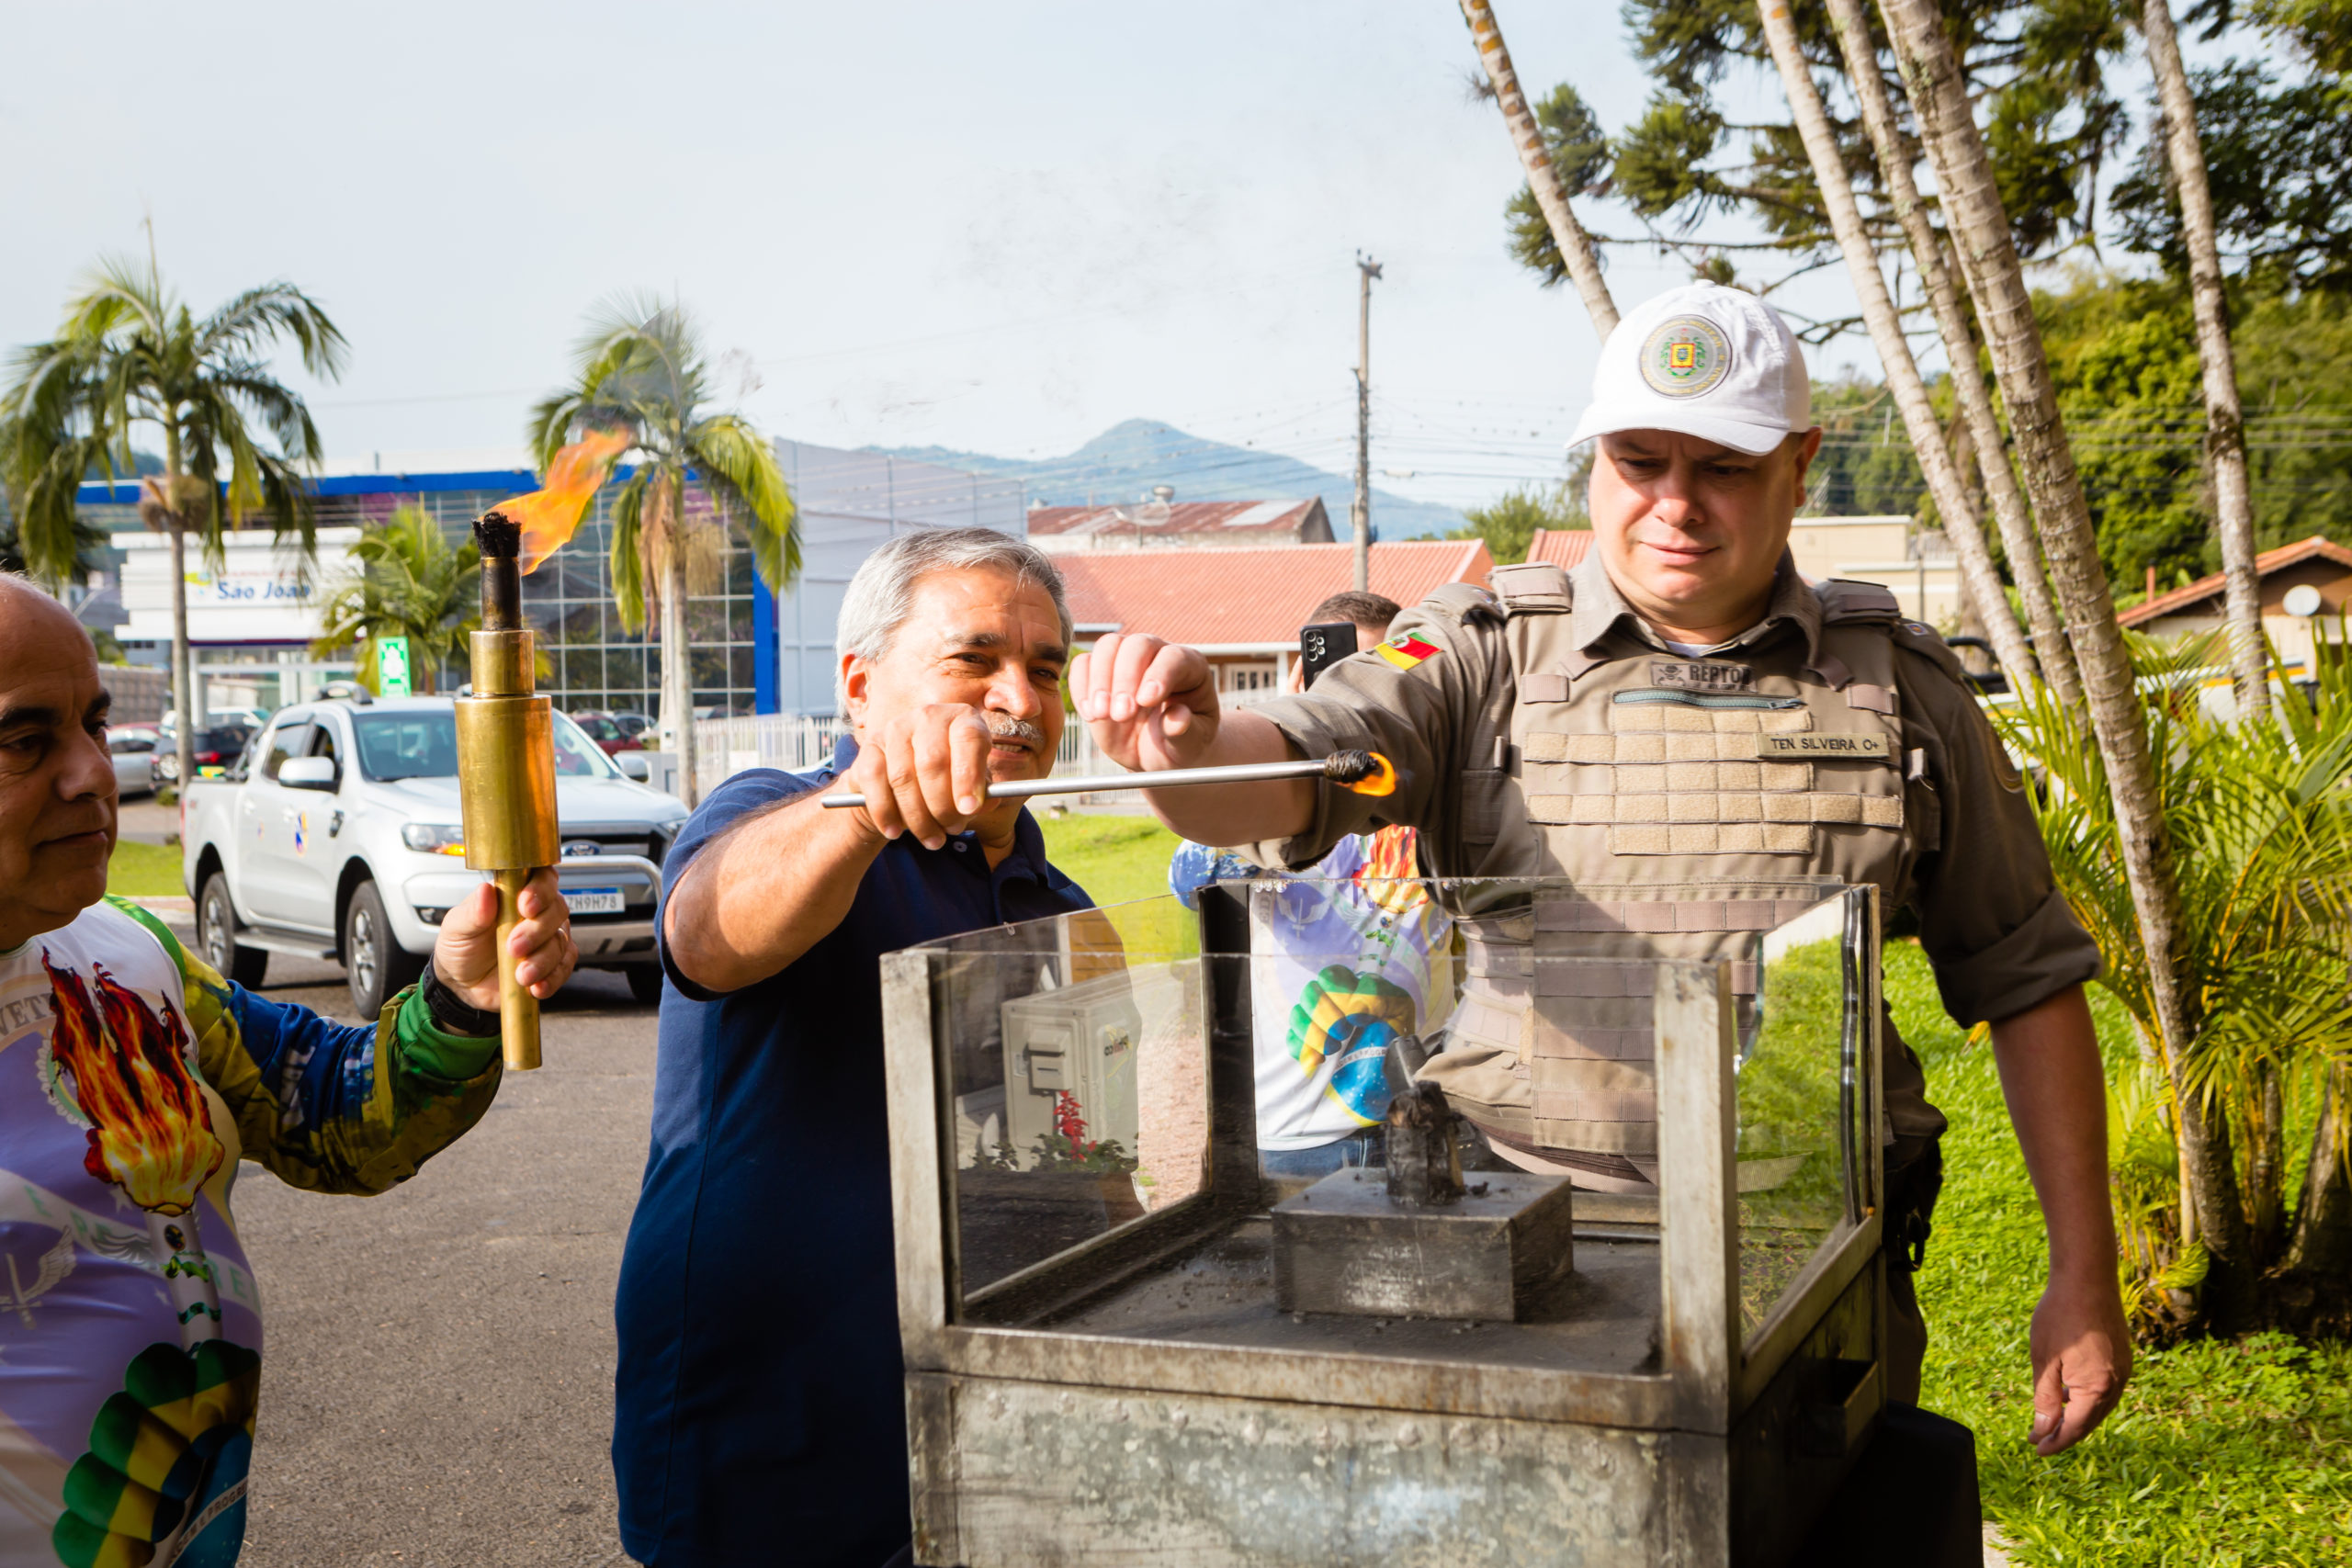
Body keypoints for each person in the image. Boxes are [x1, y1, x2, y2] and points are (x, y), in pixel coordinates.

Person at [1073, 282, 2130, 1455]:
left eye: (1719, 466)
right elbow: (1299, 766)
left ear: (1799, 464)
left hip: (1814, 1260)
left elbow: (2026, 976)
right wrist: (1180, 741)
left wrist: (2084, 1275)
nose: (1675, 504)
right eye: (1639, 461)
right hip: (1520, 1246)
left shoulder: (1902, 687)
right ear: (1593, 465)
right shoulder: (1472, 655)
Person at [0, 575, 576, 1567]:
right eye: (24, 741)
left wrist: (455, 999)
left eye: (94, 723)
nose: (93, 773)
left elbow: (331, 1110)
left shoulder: (130, 957)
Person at [614, 528, 1095, 1568]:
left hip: (990, 1431)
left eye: (1046, 668)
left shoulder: (1065, 909)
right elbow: (705, 936)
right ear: (861, 688)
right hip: (769, 1439)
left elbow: (1084, 1165)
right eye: (975, 661)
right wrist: (863, 810)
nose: (1019, 697)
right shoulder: (773, 819)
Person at [1168, 591, 1456, 1179]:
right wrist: (1296, 735)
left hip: (1426, 1118)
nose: (1366, 704)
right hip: (1297, 1142)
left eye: (1383, 678)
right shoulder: (1272, 804)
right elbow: (1192, 874)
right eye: (1348, 680)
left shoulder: (1435, 800)